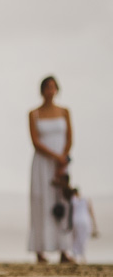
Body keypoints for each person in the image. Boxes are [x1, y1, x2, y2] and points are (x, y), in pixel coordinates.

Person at [28, 75, 73, 263]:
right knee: (41, 201)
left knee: (62, 201)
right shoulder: (34, 114)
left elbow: (70, 137)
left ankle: (64, 249)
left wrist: (63, 159)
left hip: (61, 163)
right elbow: (35, 142)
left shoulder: (64, 112)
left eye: (53, 87)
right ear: (42, 90)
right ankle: (40, 250)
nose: (50, 90)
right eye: (47, 87)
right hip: (43, 163)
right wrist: (55, 157)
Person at [64, 181, 97, 264]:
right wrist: (95, 225)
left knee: (75, 238)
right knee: (82, 239)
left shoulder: (72, 200)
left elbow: (69, 213)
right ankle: (81, 256)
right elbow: (91, 212)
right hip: (85, 221)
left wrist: (68, 224)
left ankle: (76, 255)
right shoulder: (85, 199)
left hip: (76, 220)